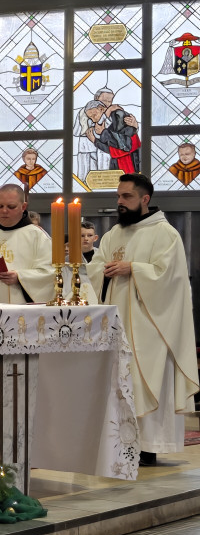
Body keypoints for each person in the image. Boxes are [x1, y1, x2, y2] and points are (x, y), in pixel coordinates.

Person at [87, 174, 199, 466]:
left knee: (145, 383)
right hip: (115, 326)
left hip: (150, 327)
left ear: (145, 200)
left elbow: (172, 280)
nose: (120, 202)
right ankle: (118, 442)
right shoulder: (113, 235)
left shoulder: (165, 234)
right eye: (118, 197)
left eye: (126, 197)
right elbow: (96, 268)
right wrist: (106, 269)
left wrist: (133, 268)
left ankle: (148, 446)